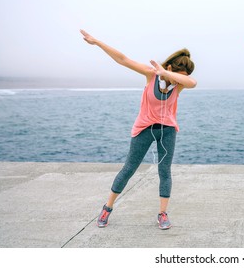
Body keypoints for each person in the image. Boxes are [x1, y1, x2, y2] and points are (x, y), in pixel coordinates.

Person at [80, 29, 197, 230]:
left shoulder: (179, 84)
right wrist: (98, 42)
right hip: (144, 128)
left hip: (167, 130)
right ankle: (107, 208)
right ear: (169, 66)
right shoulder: (150, 75)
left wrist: (168, 74)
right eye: (178, 74)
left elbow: (193, 82)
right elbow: (123, 59)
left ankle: (162, 214)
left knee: (164, 171)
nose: (180, 79)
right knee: (129, 169)